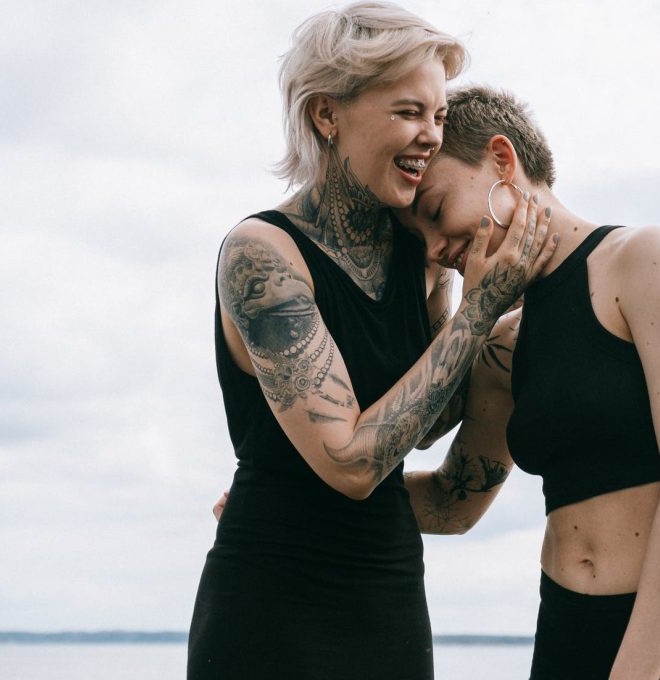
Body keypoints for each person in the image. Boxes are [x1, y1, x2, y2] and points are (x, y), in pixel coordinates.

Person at [188, 5, 556, 677]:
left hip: (388, 599)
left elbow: (422, 419)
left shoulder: (412, 249)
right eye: (410, 112)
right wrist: (478, 314)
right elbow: (352, 464)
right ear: (327, 115)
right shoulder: (262, 255)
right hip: (270, 608)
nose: (430, 137)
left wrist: (502, 334)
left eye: (440, 118)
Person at [399, 86, 660, 680]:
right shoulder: (502, 344)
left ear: (502, 161)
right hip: (567, 635)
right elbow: (453, 503)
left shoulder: (641, 260)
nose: (434, 246)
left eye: (435, 211)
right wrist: (291, 501)